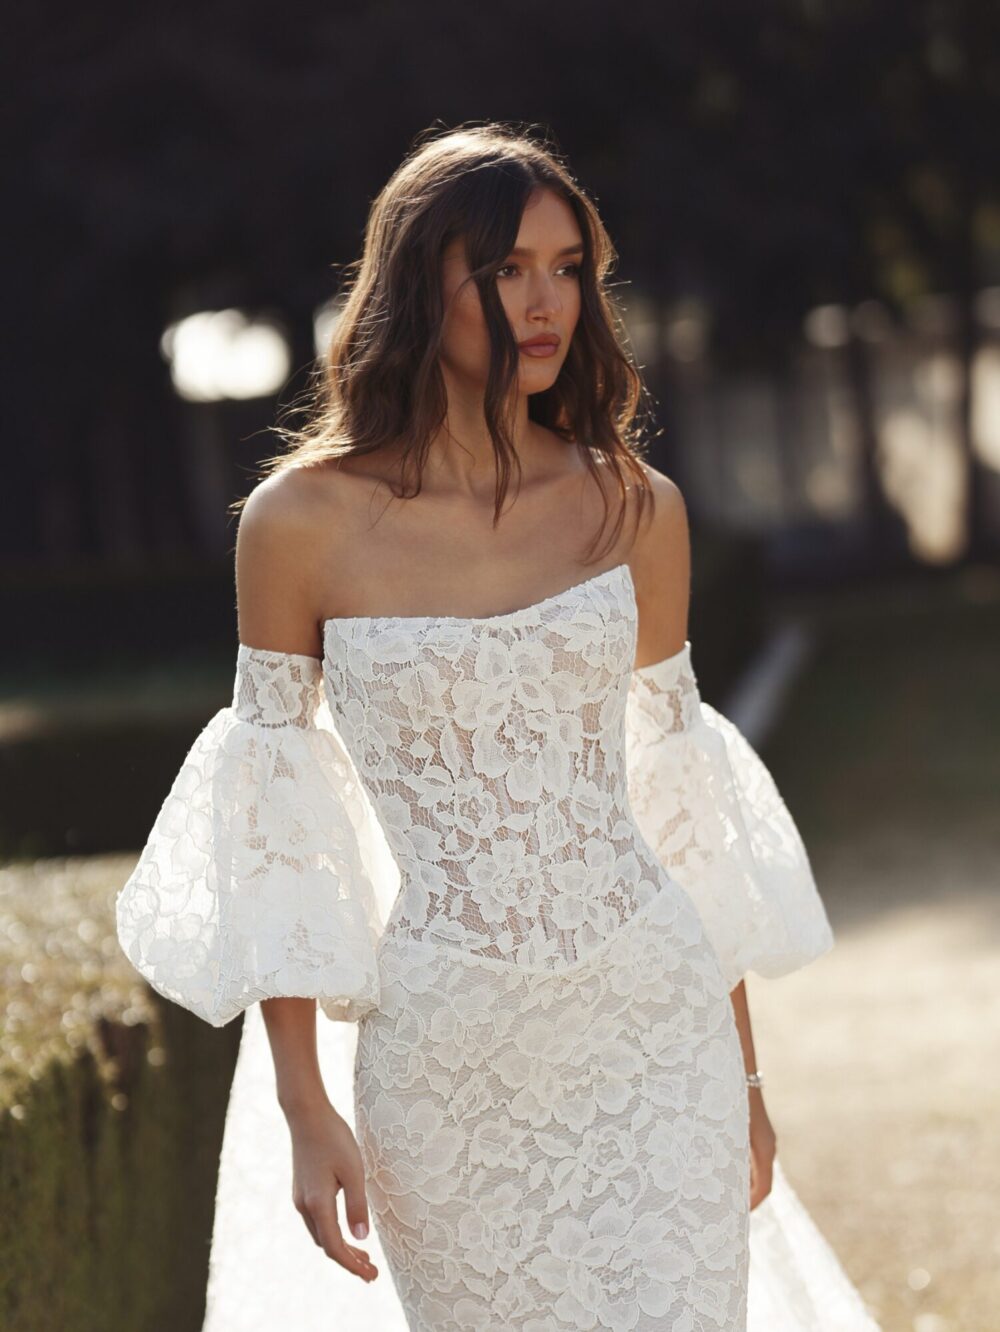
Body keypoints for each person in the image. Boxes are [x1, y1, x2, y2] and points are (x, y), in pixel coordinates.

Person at [116, 122, 881, 1331]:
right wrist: (304, 1106)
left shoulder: (633, 504)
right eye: (508, 268)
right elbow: (278, 822)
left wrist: (742, 1077)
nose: (546, 302)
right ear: (421, 282)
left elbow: (677, 796)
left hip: (652, 1022)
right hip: (448, 1057)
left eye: (568, 267)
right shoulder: (299, 524)